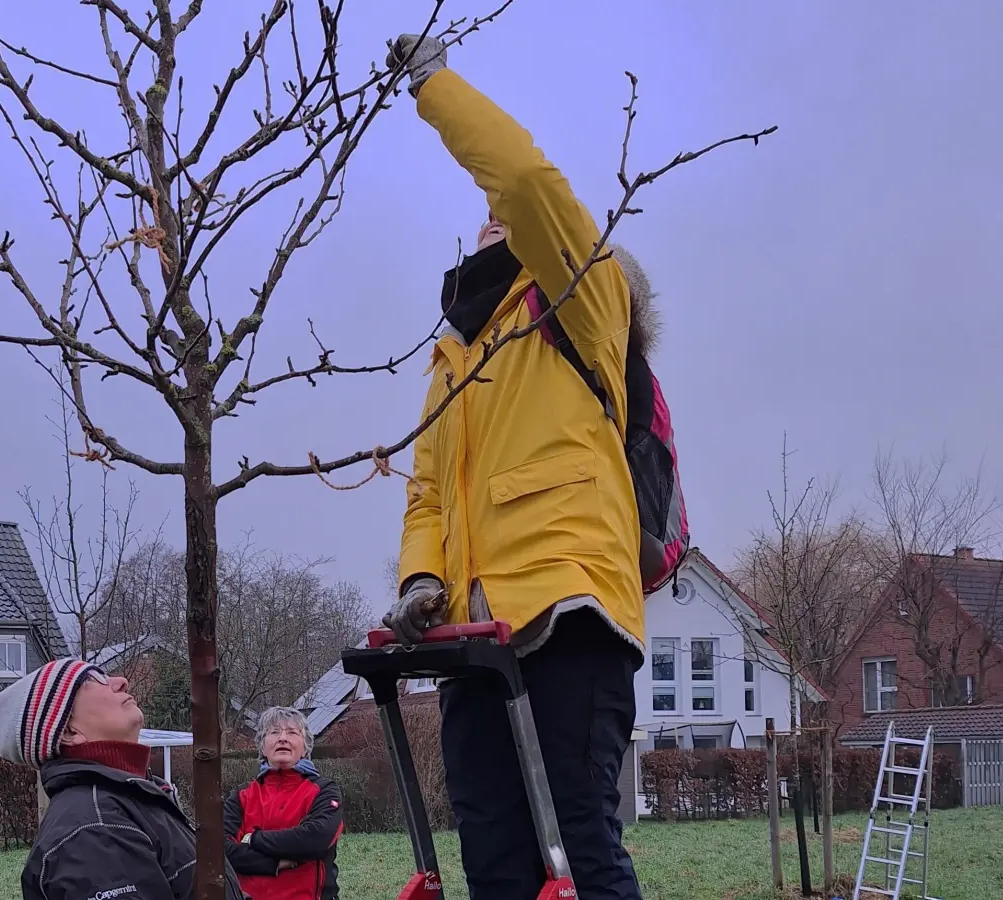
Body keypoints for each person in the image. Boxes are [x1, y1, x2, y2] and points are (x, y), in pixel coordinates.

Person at [379, 33, 652, 900]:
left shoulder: (580, 296)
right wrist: (422, 576)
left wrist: (434, 86)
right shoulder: (457, 351)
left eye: (503, 215)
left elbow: (527, 183)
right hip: (472, 635)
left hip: (567, 612)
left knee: (578, 844)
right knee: (494, 861)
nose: (493, 217)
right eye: (485, 217)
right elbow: (427, 491)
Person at [0, 658, 246, 900]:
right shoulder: (92, 827)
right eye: (92, 681)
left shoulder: (137, 799)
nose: (121, 681)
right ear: (67, 731)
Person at [224, 707, 344, 900]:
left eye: (292, 732)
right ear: (262, 746)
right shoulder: (240, 795)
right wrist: (274, 864)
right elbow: (221, 850)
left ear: (305, 747)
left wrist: (253, 839)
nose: (282, 738)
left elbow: (314, 839)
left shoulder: (324, 790)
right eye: (274, 732)